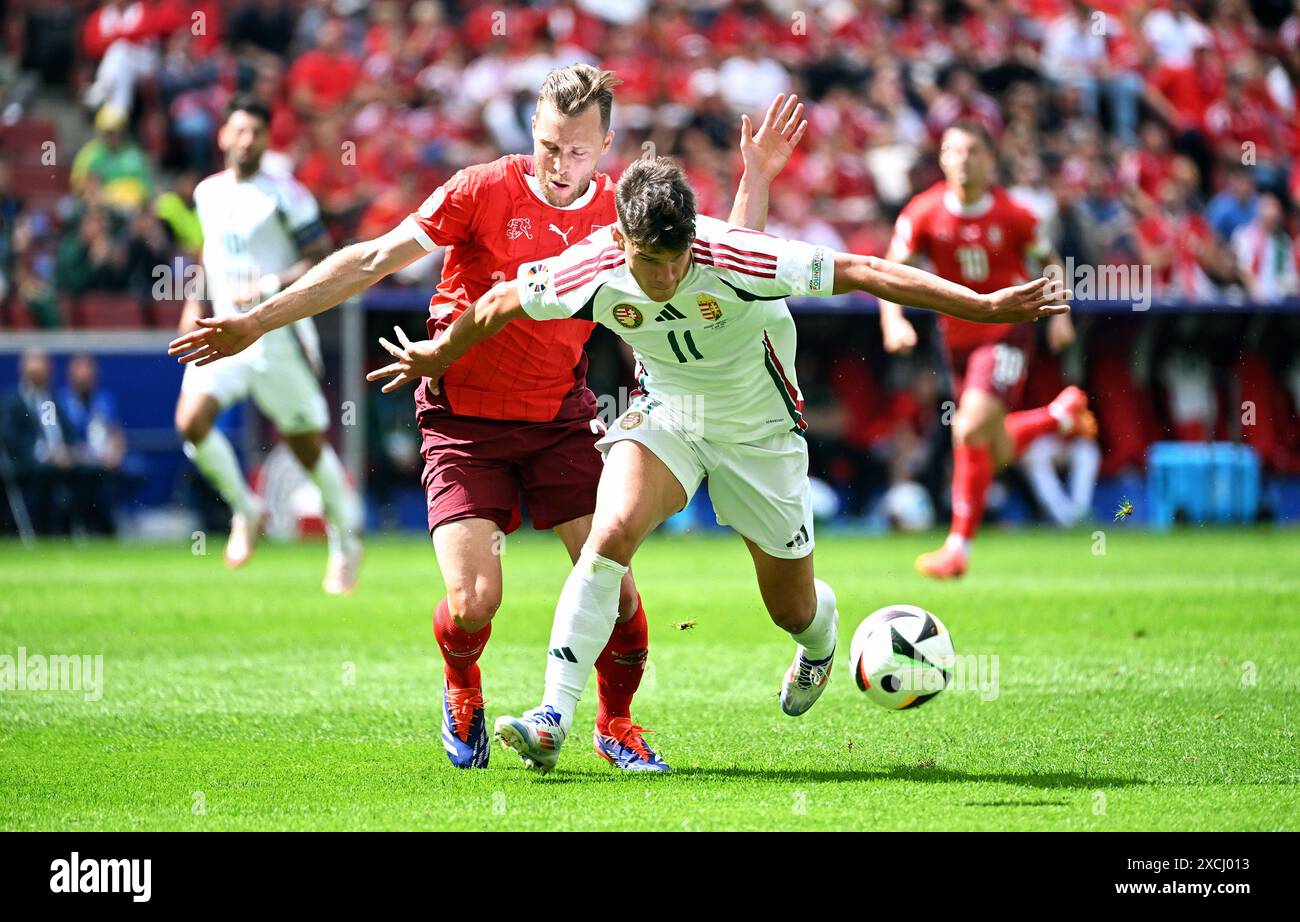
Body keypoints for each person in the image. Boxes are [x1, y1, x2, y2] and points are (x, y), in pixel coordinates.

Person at [168, 67, 804, 772]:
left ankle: (615, 723)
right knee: (474, 601)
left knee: (616, 588)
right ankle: (463, 685)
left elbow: (733, 263)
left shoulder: (622, 213)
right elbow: (373, 259)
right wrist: (257, 322)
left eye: (580, 151)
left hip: (559, 418)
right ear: (533, 131)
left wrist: (757, 177)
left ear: (608, 144)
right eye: (550, 146)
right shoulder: (478, 189)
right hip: (462, 421)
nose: (562, 166)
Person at [365, 157, 1071, 774]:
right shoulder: (594, 262)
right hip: (668, 415)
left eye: (678, 258)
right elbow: (499, 301)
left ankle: (820, 644)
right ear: (620, 240)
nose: (667, 275)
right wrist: (441, 354)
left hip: (762, 435)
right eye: (652, 262)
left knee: (790, 607)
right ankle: (554, 717)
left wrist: (979, 304)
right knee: (609, 536)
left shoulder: (739, 256)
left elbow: (860, 270)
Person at [877, 121, 1096, 580]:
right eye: (953, 150)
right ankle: (1060, 415)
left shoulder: (1015, 216)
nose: (962, 158)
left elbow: (1050, 262)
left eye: (973, 150)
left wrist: (1060, 315)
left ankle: (957, 547)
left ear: (989, 160)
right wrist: (893, 319)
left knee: (968, 428)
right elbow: (888, 272)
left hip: (1006, 332)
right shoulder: (922, 213)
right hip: (953, 344)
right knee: (989, 448)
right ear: (941, 159)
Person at [171, 95, 363, 593]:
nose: (246, 140)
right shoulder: (207, 192)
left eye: (256, 132)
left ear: (266, 139)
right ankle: (246, 507)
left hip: (278, 337)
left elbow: (321, 258)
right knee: (191, 423)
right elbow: (209, 257)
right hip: (225, 330)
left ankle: (345, 538)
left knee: (306, 448)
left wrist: (272, 284)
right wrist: (193, 307)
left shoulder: (287, 195)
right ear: (223, 136)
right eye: (238, 130)